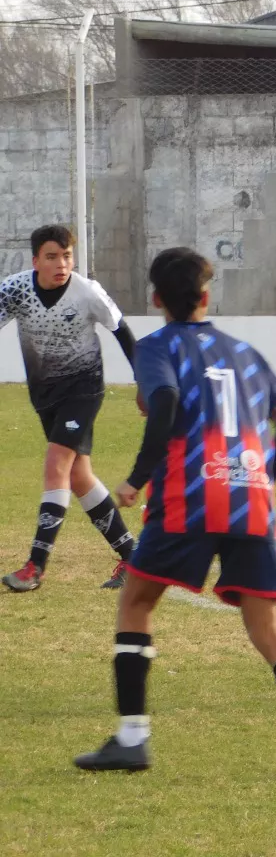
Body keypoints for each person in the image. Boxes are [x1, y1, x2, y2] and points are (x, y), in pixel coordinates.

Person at [74, 248, 276, 777]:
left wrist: (136, 478)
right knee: (266, 626)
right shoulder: (247, 351)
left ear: (156, 299)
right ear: (206, 296)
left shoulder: (156, 347)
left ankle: (132, 739)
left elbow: (165, 403)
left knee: (136, 601)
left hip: (190, 498)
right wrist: (261, 480)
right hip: (250, 500)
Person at [0, 225, 137, 592]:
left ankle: (35, 567)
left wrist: (146, 384)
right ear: (35, 261)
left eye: (66, 256)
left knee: (56, 465)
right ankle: (133, 557)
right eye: (52, 257)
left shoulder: (87, 292)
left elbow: (123, 334)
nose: (61, 264)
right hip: (45, 396)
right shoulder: (15, 289)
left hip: (84, 390)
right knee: (78, 476)